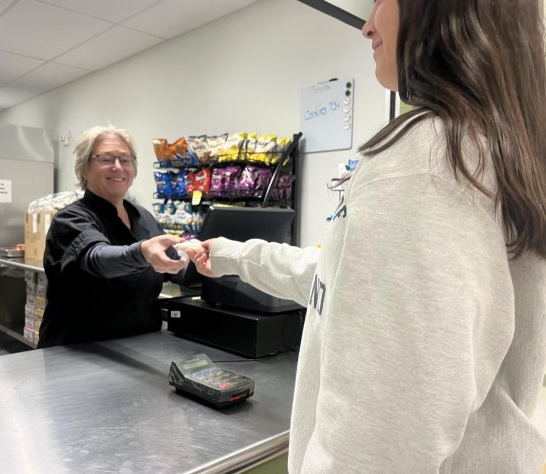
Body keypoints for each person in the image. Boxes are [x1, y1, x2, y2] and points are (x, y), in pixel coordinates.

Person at [186, 0, 546, 472]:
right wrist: (232, 255)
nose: (367, 25)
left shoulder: (425, 160)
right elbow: (341, 283)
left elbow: (379, 440)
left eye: (381, 0)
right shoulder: (497, 152)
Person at [38, 125, 186, 348]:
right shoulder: (69, 219)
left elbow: (173, 267)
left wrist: (205, 261)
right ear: (84, 169)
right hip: (78, 352)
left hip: (140, 348)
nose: (118, 167)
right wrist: (142, 252)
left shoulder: (143, 217)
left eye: (125, 160)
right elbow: (98, 259)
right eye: (106, 159)